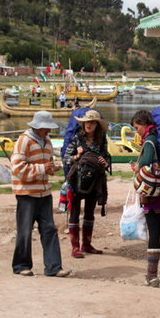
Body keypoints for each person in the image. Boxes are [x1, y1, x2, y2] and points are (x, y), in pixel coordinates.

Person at [10, 111, 70, 277]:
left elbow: (45, 165)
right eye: (46, 129)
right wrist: (43, 168)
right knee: (24, 230)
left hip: (44, 192)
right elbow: (17, 169)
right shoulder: (24, 141)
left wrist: (51, 168)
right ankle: (21, 265)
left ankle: (54, 267)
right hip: (27, 193)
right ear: (38, 127)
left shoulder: (47, 141)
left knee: (49, 229)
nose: (48, 132)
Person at [130, 110, 160, 287]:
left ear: (144, 124)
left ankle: (152, 276)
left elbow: (147, 162)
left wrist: (137, 167)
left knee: (154, 234)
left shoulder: (149, 140)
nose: (137, 131)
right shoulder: (159, 136)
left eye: (137, 127)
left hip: (152, 196)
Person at [63, 109, 111, 257]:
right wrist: (76, 156)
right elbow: (66, 158)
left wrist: (105, 162)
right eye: (86, 122)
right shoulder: (77, 139)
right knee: (75, 213)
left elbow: (107, 157)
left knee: (90, 213)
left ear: (97, 125)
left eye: (91, 122)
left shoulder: (102, 140)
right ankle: (75, 247)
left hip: (94, 181)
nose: (88, 125)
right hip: (77, 180)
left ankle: (87, 244)